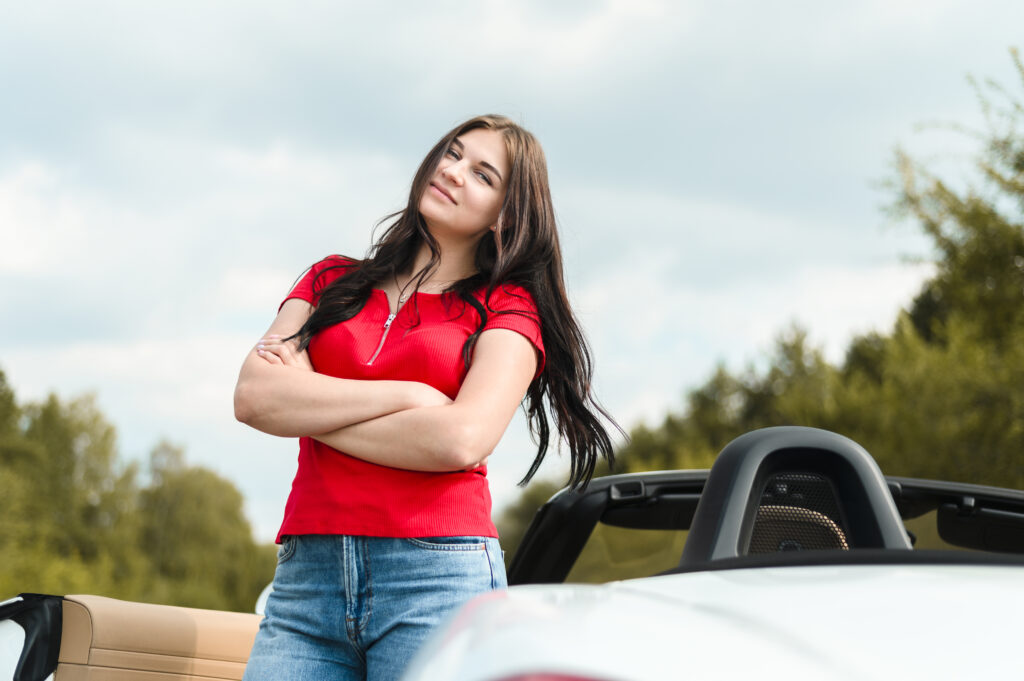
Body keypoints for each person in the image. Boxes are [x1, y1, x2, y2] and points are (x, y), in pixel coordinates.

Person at [234, 114, 617, 681]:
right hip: (306, 581)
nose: (454, 171)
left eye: (483, 175)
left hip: (437, 579)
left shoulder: (508, 310)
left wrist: (308, 410)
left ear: (504, 216)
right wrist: (411, 395)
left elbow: (460, 439)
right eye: (453, 154)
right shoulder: (330, 280)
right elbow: (254, 396)